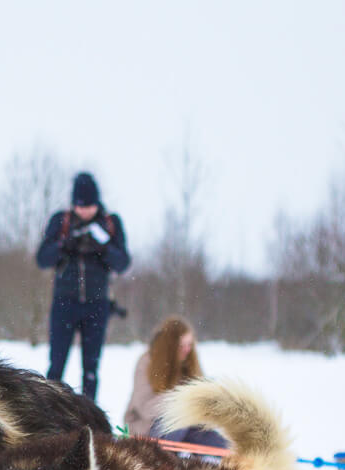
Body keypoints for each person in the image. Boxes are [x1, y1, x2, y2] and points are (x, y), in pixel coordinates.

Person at [36, 172, 130, 400]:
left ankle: (89, 418)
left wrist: (104, 246)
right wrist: (63, 245)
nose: (85, 211)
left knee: (91, 370)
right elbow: (42, 259)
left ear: (97, 203)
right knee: (56, 366)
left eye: (89, 206)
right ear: (73, 203)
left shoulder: (110, 223)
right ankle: (50, 415)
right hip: (64, 303)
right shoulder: (62, 221)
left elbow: (123, 262)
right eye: (80, 206)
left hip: (96, 305)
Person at [124, 316, 227, 452]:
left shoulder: (189, 363)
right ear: (169, 346)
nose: (187, 350)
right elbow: (145, 408)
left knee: (221, 446)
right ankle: (160, 462)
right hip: (147, 427)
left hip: (187, 426)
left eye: (189, 345)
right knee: (177, 421)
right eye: (181, 345)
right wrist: (182, 399)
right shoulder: (146, 363)